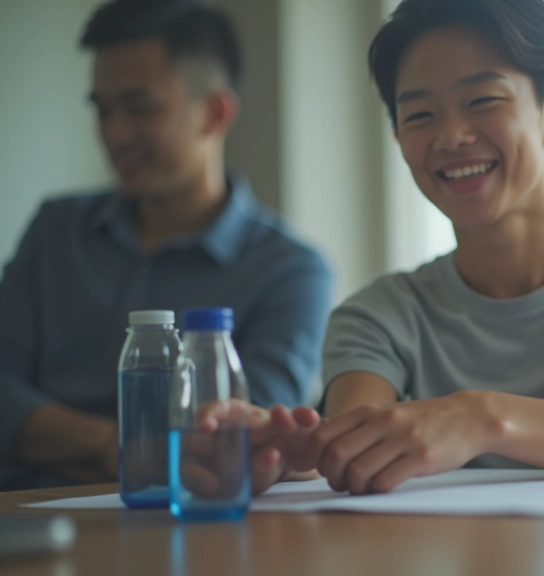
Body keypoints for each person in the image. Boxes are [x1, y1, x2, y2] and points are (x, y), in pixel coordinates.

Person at [197, 0, 544, 498]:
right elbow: (354, 456)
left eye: (483, 101)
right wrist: (282, 452)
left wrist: (480, 418)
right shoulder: (378, 316)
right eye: (420, 115)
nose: (451, 136)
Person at [0, 0, 332, 490]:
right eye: (104, 110)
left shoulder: (291, 271)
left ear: (215, 112)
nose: (115, 134)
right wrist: (117, 450)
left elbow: (242, 441)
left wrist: (46, 439)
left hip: (189, 525)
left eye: (140, 108)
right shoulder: (56, 229)